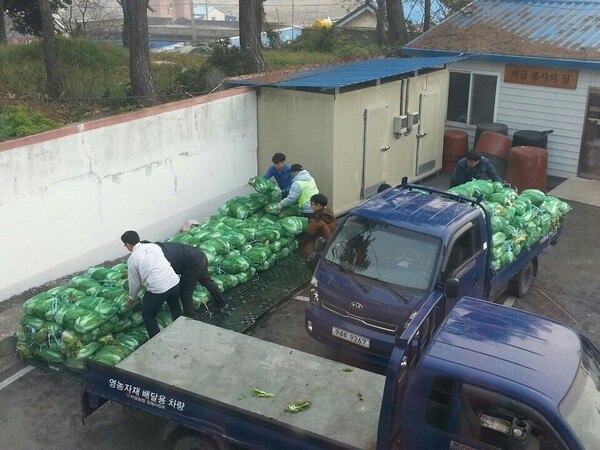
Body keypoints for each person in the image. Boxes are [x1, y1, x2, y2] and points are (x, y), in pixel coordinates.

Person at [121, 230, 181, 338]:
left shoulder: (133, 258)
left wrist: (131, 297)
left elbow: (135, 282)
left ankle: (156, 341)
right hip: (173, 281)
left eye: (125, 245)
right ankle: (182, 328)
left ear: (128, 244)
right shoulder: (154, 246)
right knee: (175, 306)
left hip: (159, 289)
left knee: (148, 315)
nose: (126, 247)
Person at [154, 241, 228, 317]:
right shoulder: (160, 247)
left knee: (185, 291)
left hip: (192, 265)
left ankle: (191, 316)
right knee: (207, 281)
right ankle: (221, 302)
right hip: (200, 256)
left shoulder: (160, 257)